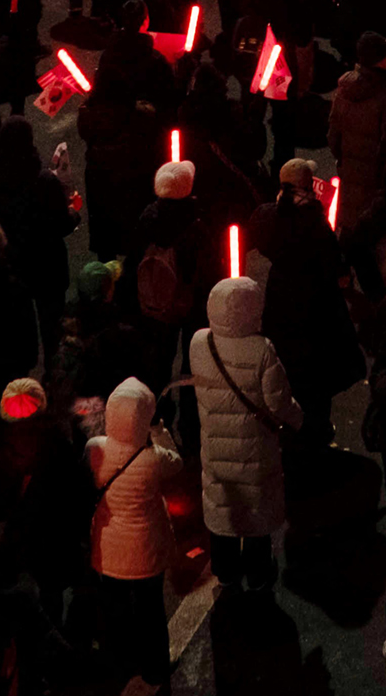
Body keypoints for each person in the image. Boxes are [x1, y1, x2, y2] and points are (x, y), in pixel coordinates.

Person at [187, 272, 303, 589]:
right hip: (255, 448)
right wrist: (299, 419)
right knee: (255, 506)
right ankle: (258, 570)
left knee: (223, 503)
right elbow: (278, 403)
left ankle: (225, 569)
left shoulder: (200, 343)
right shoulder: (262, 350)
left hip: (215, 446)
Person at [83, 376, 178, 692]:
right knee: (152, 612)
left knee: (115, 612)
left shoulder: (95, 449)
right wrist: (159, 432)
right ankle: (156, 669)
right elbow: (176, 463)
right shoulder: (153, 460)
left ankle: (120, 665)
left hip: (109, 552)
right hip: (147, 552)